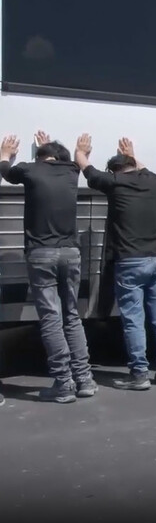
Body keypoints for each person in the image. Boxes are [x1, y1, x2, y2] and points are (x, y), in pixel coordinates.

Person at [0, 131, 98, 403]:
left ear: (39, 158)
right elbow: (67, 161)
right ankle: (85, 379)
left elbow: (6, 171)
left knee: (51, 318)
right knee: (71, 316)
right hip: (71, 252)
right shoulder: (70, 172)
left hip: (42, 253)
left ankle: (63, 384)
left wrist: (5, 154)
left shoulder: (30, 171)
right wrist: (71, 150)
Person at [76, 134, 156, 390]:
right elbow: (142, 169)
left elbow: (86, 168)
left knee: (134, 319)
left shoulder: (113, 182)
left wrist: (81, 151)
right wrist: (133, 153)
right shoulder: (153, 182)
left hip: (131, 262)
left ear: (114, 170)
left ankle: (140, 375)